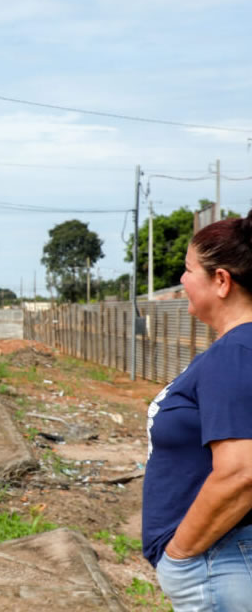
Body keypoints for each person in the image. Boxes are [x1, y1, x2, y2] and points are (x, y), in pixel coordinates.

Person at [143, 210, 252, 610]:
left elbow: (242, 472)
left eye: (189, 270)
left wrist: (180, 555)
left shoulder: (236, 354)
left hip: (217, 564)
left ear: (221, 281)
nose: (183, 281)